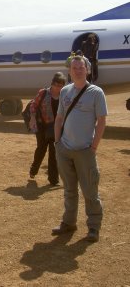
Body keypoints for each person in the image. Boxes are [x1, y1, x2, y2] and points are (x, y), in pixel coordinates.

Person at [52, 55, 107, 242]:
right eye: (74, 67)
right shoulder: (65, 91)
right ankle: (69, 223)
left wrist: (94, 147)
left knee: (90, 190)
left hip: (85, 150)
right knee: (69, 189)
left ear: (88, 70)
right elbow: (59, 118)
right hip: (64, 149)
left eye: (81, 67)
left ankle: (93, 227)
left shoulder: (96, 92)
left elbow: (101, 121)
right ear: (70, 71)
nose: (77, 70)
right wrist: (57, 143)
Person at [29, 72, 67, 186]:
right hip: (42, 127)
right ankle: (34, 169)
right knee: (41, 149)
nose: (58, 87)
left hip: (56, 128)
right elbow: (33, 105)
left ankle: (53, 179)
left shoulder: (64, 95)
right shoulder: (43, 93)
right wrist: (32, 118)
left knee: (54, 152)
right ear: (52, 83)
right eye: (57, 84)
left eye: (61, 85)